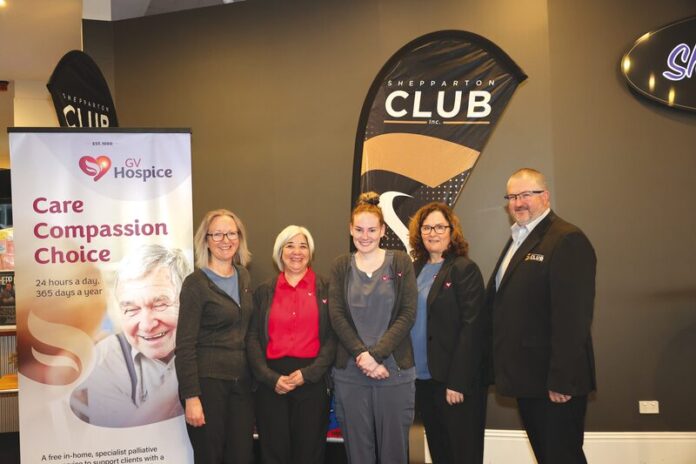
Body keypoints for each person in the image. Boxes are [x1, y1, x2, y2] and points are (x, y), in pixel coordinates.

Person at [486, 168, 596, 464]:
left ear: (545, 196)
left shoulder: (567, 239)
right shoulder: (519, 239)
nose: (518, 202)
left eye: (526, 194)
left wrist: (561, 380)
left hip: (554, 383)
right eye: (512, 197)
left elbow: (573, 318)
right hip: (529, 379)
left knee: (562, 457)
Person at [329, 192, 417, 464]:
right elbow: (337, 315)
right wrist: (362, 355)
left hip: (394, 372)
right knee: (358, 454)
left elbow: (407, 313)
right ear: (350, 229)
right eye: (359, 229)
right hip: (350, 373)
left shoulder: (400, 262)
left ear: (382, 231)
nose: (365, 236)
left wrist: (376, 355)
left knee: (394, 453)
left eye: (371, 230)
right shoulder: (341, 266)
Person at [70, 244, 192, 427]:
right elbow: (124, 434)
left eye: (160, 305)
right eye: (131, 309)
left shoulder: (215, 342)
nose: (147, 325)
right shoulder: (106, 355)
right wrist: (185, 373)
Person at [247, 225, 336, 464]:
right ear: (280, 252)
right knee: (273, 453)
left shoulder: (327, 288)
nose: (297, 252)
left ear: (310, 253)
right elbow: (252, 338)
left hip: (312, 381)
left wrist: (309, 374)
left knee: (309, 454)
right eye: (290, 246)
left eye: (303, 246)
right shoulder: (264, 291)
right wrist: (269, 377)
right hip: (271, 383)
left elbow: (333, 338)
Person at [408, 202, 488, 464]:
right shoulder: (414, 269)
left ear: (452, 231)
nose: (433, 233)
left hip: (453, 383)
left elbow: (472, 328)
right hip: (423, 381)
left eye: (440, 227)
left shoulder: (464, 269)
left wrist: (458, 382)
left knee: (461, 455)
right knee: (440, 452)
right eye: (427, 227)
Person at [175, 209, 255, 464]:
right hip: (208, 386)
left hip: (241, 385)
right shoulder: (195, 284)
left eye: (231, 233)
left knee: (242, 456)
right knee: (210, 457)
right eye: (217, 234)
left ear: (239, 238)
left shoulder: (244, 276)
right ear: (206, 240)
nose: (225, 240)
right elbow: (184, 346)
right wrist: (191, 397)